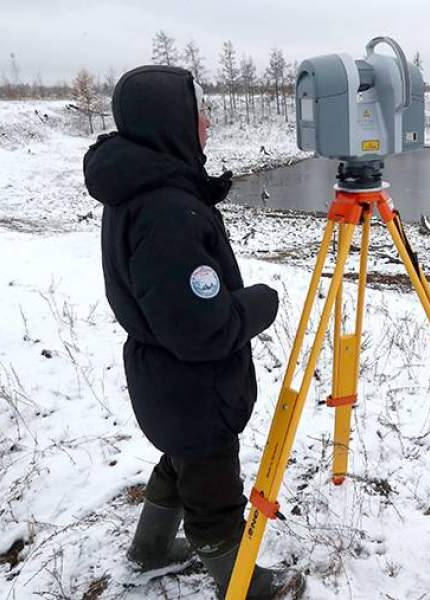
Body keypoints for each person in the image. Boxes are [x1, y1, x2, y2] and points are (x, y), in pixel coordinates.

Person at [83, 65, 303, 599]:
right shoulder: (166, 211)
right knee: (212, 483)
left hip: (167, 381)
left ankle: (152, 548)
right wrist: (259, 304)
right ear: (171, 123)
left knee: (180, 457)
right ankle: (242, 581)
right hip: (192, 384)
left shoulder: (145, 185)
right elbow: (200, 330)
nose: (206, 123)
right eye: (198, 112)